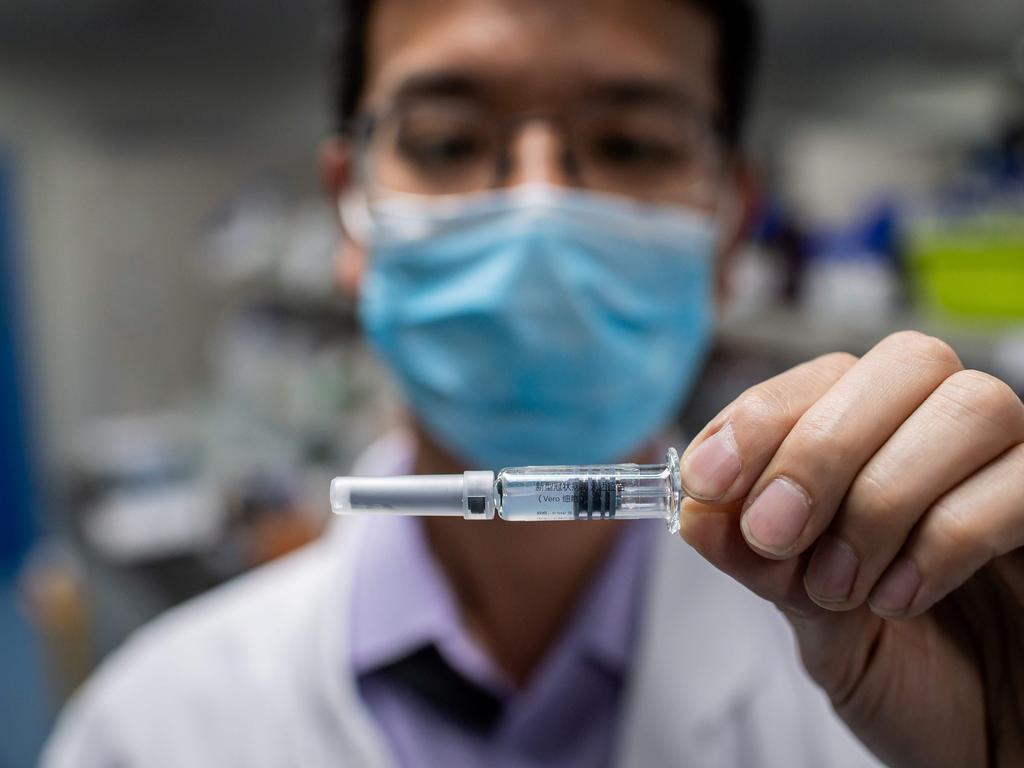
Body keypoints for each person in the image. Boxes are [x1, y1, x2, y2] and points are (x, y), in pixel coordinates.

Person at [43, 0, 1024, 766]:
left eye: (631, 145)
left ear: (731, 223)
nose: (539, 208)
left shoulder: (904, 685)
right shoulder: (149, 735)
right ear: (350, 211)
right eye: (447, 142)